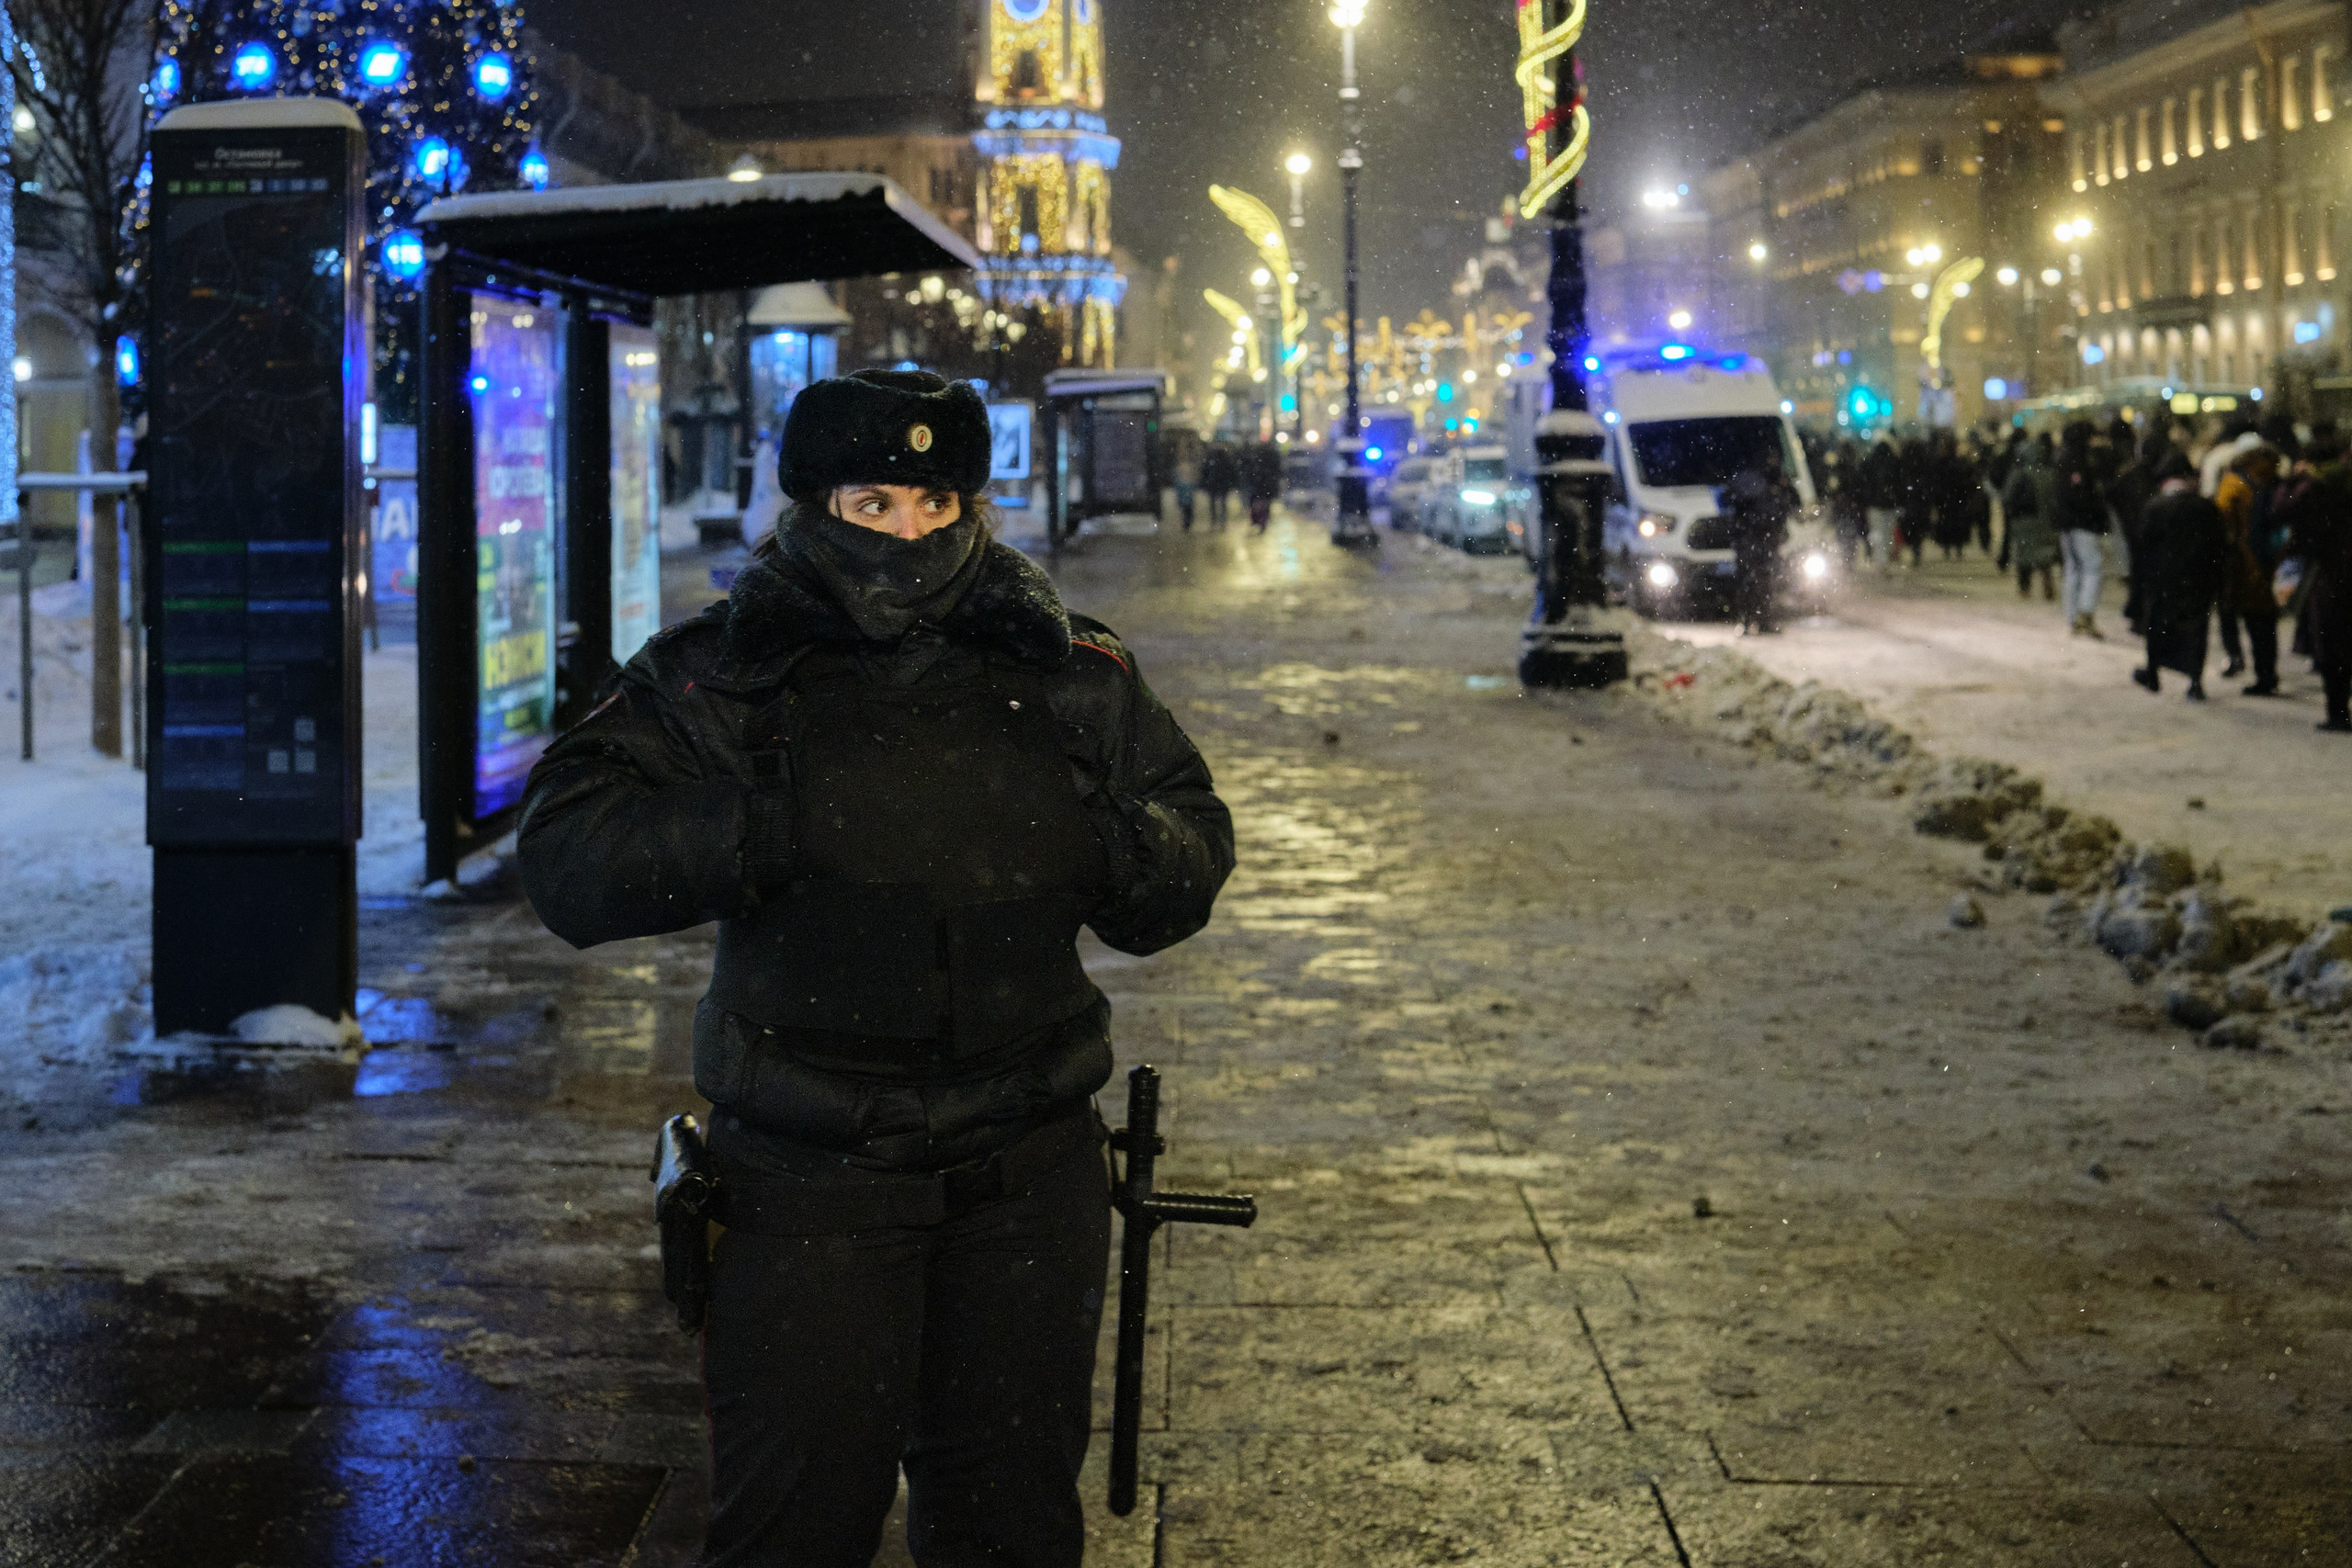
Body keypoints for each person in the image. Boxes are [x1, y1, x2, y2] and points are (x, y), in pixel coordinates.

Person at [514, 368, 1236, 1568]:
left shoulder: (1069, 667)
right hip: (809, 1182)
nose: (910, 533)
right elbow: (566, 854)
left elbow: (1189, 846)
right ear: (814, 504)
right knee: (794, 1525)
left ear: (973, 507)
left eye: (937, 503)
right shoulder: (725, 669)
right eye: (874, 502)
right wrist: (772, 828)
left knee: (1009, 1525)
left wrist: (1097, 840)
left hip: (1026, 1178)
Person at [2133, 450, 2229, 701]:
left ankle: (2153, 672)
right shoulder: (2206, 507)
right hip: (2198, 578)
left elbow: (2142, 546)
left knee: (2157, 625)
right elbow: (2219, 545)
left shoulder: (2156, 506)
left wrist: (2141, 580)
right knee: (2196, 628)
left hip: (2162, 579)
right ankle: (2195, 682)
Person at [2278, 434, 2352, 731]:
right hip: (2342, 569)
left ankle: (2338, 712)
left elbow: (2282, 511)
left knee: (2333, 645)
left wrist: (2293, 480)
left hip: (2329, 573)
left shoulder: (2314, 487)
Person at [2213, 443, 2285, 695]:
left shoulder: (2242, 483)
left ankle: (2262, 673)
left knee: (2258, 621)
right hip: (2249, 563)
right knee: (2259, 621)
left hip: (2253, 563)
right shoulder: (2243, 485)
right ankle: (2263, 673)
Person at [1721, 446, 1796, 635]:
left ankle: (1761, 620)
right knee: (1751, 580)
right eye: (1770, 459)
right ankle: (1749, 620)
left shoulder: (1775, 480)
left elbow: (1792, 501)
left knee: (1764, 581)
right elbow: (1729, 499)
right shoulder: (1750, 480)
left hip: (1765, 538)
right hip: (1751, 538)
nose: (1773, 463)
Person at [2053, 420, 2111, 638]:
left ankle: (2073, 618)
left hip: (2067, 523)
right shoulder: (2077, 460)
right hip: (2081, 523)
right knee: (2093, 566)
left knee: (2072, 569)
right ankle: (2084, 614)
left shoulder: (2062, 457)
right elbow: (2080, 495)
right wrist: (2096, 511)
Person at [2000, 433, 2061, 602]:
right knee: (2045, 555)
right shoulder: (2049, 473)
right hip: (2044, 522)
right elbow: (2055, 500)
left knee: (2024, 556)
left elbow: (2007, 497)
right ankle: (2047, 584)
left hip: (2023, 522)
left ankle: (2025, 588)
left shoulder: (2018, 473)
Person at [1860, 430, 1901, 567]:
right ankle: (1885, 558)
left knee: (1878, 533)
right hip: (1890, 503)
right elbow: (1899, 482)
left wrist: (1866, 500)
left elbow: (1865, 483)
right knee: (1888, 533)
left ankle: (1881, 560)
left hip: (1875, 504)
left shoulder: (1870, 461)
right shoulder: (1894, 461)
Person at [1244, 438, 1283, 533]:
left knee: (1258, 503)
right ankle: (1262, 522)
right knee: (1265, 504)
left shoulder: (1257, 455)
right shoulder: (1272, 455)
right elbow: (1278, 470)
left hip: (1260, 484)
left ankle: (1258, 521)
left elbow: (1251, 469)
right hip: (1267, 484)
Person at [1201, 439, 1238, 528]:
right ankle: (1221, 521)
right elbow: (1232, 472)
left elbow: (1205, 472)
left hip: (1214, 483)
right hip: (1221, 484)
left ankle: (1215, 520)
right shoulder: (1226, 458)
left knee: (1215, 503)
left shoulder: (1211, 458)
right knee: (1221, 503)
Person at [1172, 435, 1202, 533]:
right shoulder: (1189, 458)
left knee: (1186, 505)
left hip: (1185, 482)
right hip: (1185, 482)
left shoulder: (1185, 458)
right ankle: (1187, 521)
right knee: (1187, 505)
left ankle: (1187, 522)